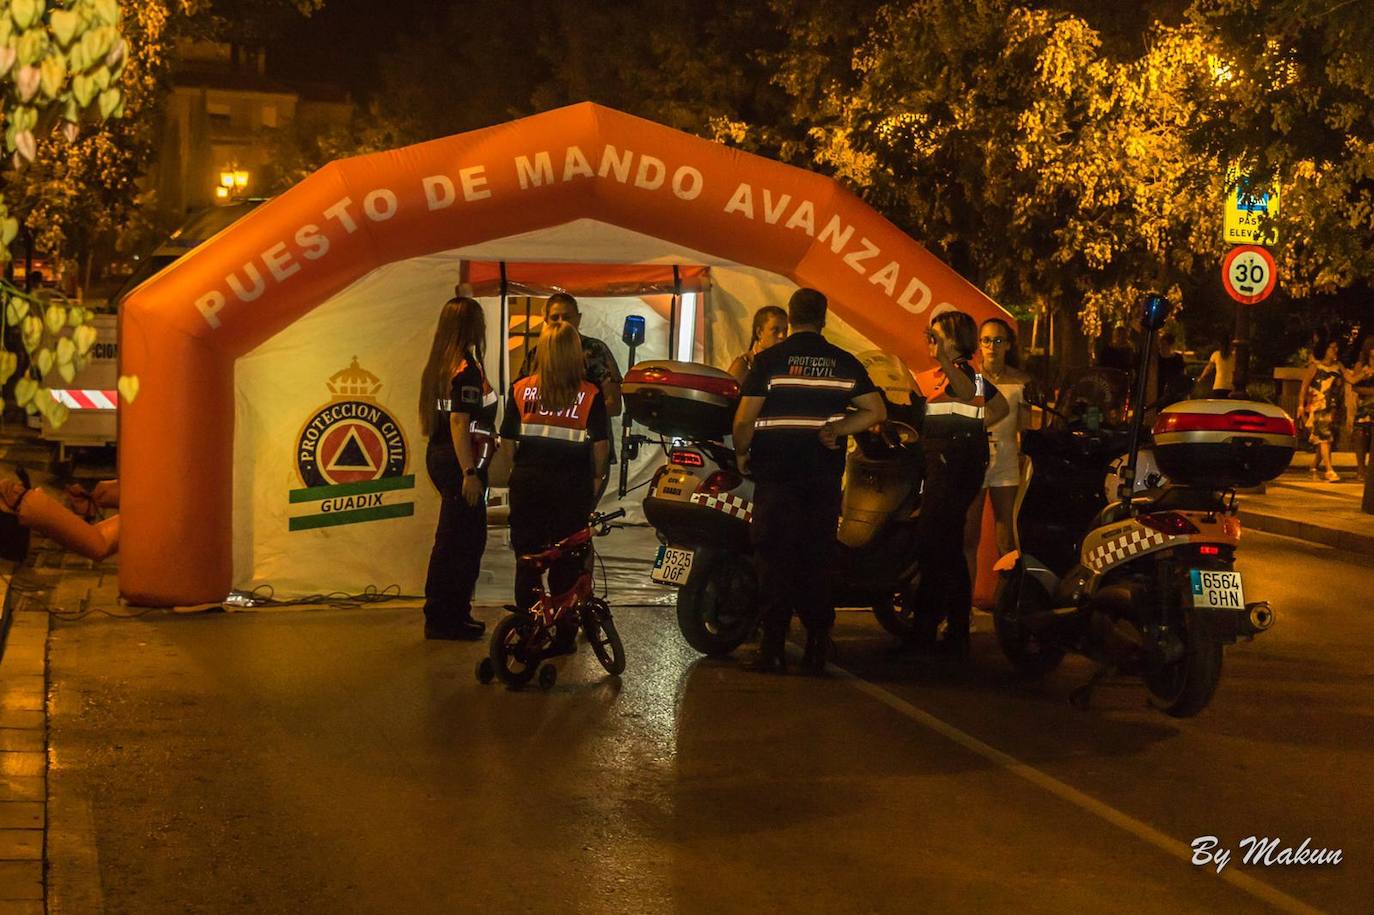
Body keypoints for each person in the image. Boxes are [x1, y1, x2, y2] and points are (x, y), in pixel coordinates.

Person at [732, 288, 885, 675]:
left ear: (791, 315)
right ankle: (817, 645)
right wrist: (841, 427)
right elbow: (875, 410)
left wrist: (742, 452)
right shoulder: (843, 362)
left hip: (777, 475)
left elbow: (743, 420)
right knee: (816, 558)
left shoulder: (769, 360)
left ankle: (773, 647)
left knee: (773, 556)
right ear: (824, 318)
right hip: (821, 478)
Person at [910, 310, 1010, 659]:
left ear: (956, 341)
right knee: (945, 548)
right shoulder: (931, 377)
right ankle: (950, 629)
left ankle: (932, 629)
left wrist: (970, 432)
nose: (931, 342)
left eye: (937, 336)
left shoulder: (965, 373)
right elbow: (996, 409)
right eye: (930, 336)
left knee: (935, 545)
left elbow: (975, 396)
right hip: (939, 465)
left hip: (955, 468)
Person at [497, 321, 611, 619]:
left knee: (528, 559)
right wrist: (596, 482)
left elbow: (507, 440)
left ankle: (526, 624)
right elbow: (601, 448)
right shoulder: (590, 394)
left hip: (528, 485)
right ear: (575, 354)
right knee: (567, 560)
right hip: (571, 489)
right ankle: (562, 631)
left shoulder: (520, 390)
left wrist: (517, 470)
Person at [418, 297, 496, 640]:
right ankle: (448, 617)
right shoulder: (464, 369)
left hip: (440, 455)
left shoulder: (440, 365)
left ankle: (445, 613)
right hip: (458, 461)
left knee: (451, 539)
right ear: (471, 327)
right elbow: (459, 422)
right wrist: (470, 473)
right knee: (463, 541)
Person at [963, 318, 1035, 578]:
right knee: (968, 536)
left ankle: (1009, 604)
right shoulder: (969, 379)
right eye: (986, 340)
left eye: (997, 340)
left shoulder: (1021, 381)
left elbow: (1025, 426)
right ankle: (964, 609)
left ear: (1008, 345)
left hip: (1006, 461)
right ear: (979, 344)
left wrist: (1023, 455)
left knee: (1008, 539)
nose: (991, 346)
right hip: (974, 461)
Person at [1297, 339, 1346, 482]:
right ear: (1324, 350)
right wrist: (1301, 405)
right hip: (1318, 406)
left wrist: (1365, 373)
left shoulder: (1338, 366)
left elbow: (1351, 379)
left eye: (1336, 347)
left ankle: (1313, 467)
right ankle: (1329, 470)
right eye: (1332, 347)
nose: (1335, 350)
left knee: (1325, 438)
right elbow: (1304, 387)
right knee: (1325, 438)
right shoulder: (1315, 367)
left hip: (1333, 407)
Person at [727, 306, 788, 384]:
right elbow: (725, 393)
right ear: (759, 332)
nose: (782, 336)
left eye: (785, 331)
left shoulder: (785, 362)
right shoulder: (744, 365)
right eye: (775, 330)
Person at [1350, 337, 1374, 482]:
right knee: (1361, 436)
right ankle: (1360, 469)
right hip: (1365, 407)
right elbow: (1355, 386)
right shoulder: (1361, 366)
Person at [1155, 331, 1190, 405]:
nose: (1162, 347)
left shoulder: (1177, 358)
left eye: (1165, 344)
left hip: (1173, 391)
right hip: (1159, 389)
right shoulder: (1157, 358)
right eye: (1161, 344)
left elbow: (1182, 374)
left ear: (1170, 345)